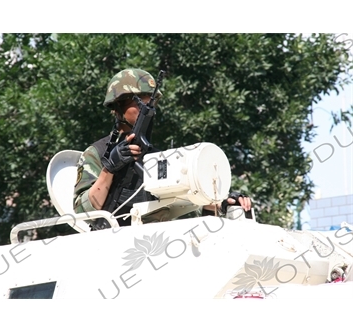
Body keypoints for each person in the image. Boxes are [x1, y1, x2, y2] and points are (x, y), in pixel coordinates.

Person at [73, 68, 251, 230]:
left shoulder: (157, 157)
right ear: (118, 105)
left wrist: (218, 201)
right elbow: (82, 211)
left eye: (150, 102)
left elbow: (188, 205)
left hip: (156, 243)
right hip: (111, 241)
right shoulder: (98, 152)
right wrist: (109, 168)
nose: (148, 107)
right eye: (139, 101)